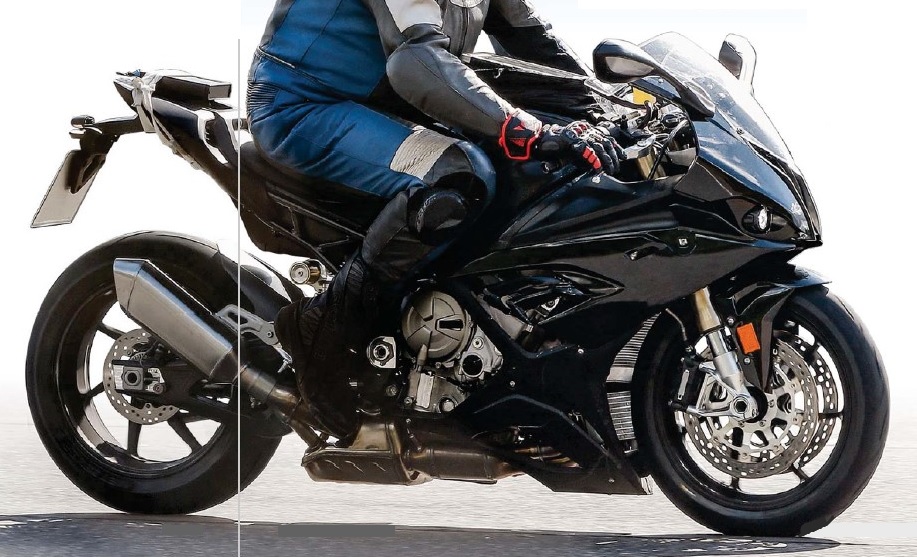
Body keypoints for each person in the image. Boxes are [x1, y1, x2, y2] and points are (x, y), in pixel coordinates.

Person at [247, 0, 622, 441]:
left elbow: (533, 40)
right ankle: (322, 329)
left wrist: (609, 115)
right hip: (306, 107)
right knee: (460, 176)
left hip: (391, 105)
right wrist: (529, 131)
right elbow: (415, 58)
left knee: (534, 168)